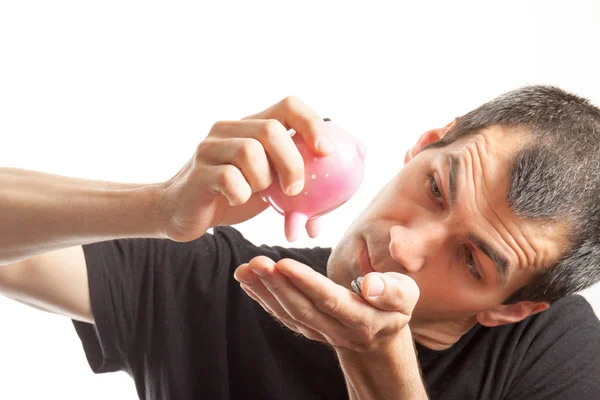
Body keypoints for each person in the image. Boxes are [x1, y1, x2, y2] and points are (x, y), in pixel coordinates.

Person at [1, 87, 600, 399]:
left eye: (470, 260)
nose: (405, 245)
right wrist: (159, 206)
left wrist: (377, 363)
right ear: (425, 143)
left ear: (512, 306)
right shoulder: (227, 283)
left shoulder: (557, 353)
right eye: (436, 188)